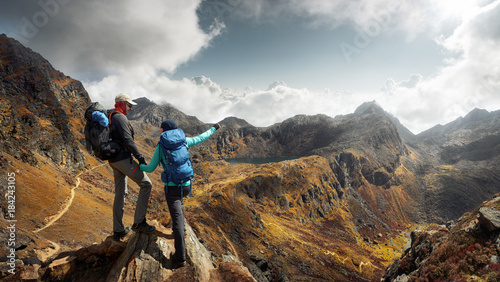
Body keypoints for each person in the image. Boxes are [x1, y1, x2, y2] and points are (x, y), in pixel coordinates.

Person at [140, 119, 221, 268]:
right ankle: (182, 230)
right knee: (180, 209)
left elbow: (151, 168)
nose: (159, 131)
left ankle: (180, 257)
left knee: (176, 219)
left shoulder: (162, 146)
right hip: (187, 185)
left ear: (164, 130)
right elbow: (201, 137)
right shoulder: (184, 141)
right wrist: (214, 128)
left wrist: (140, 166)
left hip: (172, 187)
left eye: (161, 129)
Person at [108, 93, 155, 241]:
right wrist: (140, 158)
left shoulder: (111, 116)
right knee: (146, 184)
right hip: (123, 159)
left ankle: (118, 231)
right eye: (129, 105)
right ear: (121, 104)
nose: (131, 109)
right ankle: (139, 222)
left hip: (114, 160)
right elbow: (128, 140)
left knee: (120, 193)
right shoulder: (120, 117)